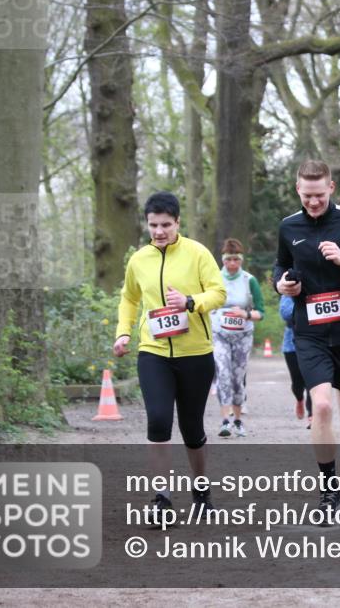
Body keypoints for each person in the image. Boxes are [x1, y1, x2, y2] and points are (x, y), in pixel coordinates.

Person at [274, 160, 340, 521]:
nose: (314, 203)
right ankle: (327, 490)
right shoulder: (289, 226)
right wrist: (282, 284)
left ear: (331, 188)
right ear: (297, 191)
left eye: (319, 195)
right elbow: (280, 267)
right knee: (320, 407)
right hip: (310, 332)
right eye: (307, 196)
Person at [112, 191, 226, 524]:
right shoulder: (139, 259)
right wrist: (123, 332)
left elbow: (218, 293)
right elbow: (129, 300)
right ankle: (161, 499)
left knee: (192, 428)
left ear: (178, 222)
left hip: (195, 353)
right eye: (153, 225)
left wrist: (190, 302)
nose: (159, 231)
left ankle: (201, 491)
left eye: (165, 225)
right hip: (154, 351)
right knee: (159, 421)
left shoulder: (197, 253)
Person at [210, 238, 265, 438]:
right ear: (222, 260)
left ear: (241, 260)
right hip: (220, 335)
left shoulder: (249, 280)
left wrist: (246, 314)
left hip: (242, 336)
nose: (232, 264)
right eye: (228, 259)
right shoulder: (214, 278)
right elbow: (206, 303)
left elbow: (261, 312)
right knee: (223, 373)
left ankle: (239, 420)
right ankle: (225, 421)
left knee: (237, 379)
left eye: (236, 259)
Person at [280, 294, 312, 427]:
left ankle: (312, 414)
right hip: (291, 344)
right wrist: (309, 307)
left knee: (313, 381)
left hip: (314, 341)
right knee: (297, 382)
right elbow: (286, 313)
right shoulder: (290, 289)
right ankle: (299, 398)